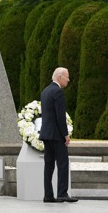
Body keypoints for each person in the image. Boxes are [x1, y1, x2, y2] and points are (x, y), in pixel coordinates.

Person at [39, 67, 78, 203]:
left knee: (48, 165)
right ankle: (62, 193)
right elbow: (60, 116)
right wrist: (65, 135)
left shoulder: (45, 91)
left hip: (46, 134)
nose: (68, 80)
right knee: (62, 164)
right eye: (67, 77)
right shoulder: (58, 92)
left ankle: (48, 195)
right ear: (60, 77)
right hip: (56, 135)